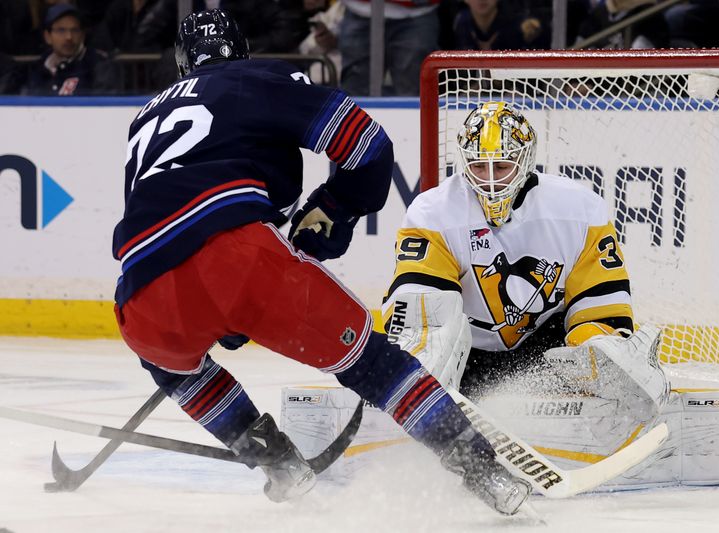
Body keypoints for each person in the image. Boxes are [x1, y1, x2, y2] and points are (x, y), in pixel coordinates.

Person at [112, 8, 530, 515]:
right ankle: (483, 470)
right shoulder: (255, 78)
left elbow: (161, 224)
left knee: (168, 366)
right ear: (240, 51)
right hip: (239, 257)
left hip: (140, 292)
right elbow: (368, 145)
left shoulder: (145, 114)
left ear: (181, 63)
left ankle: (275, 462)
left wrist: (221, 309)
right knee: (369, 363)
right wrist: (337, 207)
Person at [285, 102, 719, 489]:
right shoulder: (433, 209)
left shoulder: (579, 208)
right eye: (479, 166)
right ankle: (420, 397)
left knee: (614, 357)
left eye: (502, 165)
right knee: (421, 334)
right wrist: (420, 372)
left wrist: (593, 350)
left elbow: (601, 299)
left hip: (543, 358)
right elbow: (423, 302)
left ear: (526, 161)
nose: (490, 178)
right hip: (466, 355)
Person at [21, 4, 119, 95]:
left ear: (83, 35)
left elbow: (103, 105)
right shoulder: (38, 68)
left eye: (75, 30)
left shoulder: (99, 65)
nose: (69, 37)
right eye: (61, 30)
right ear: (48, 36)